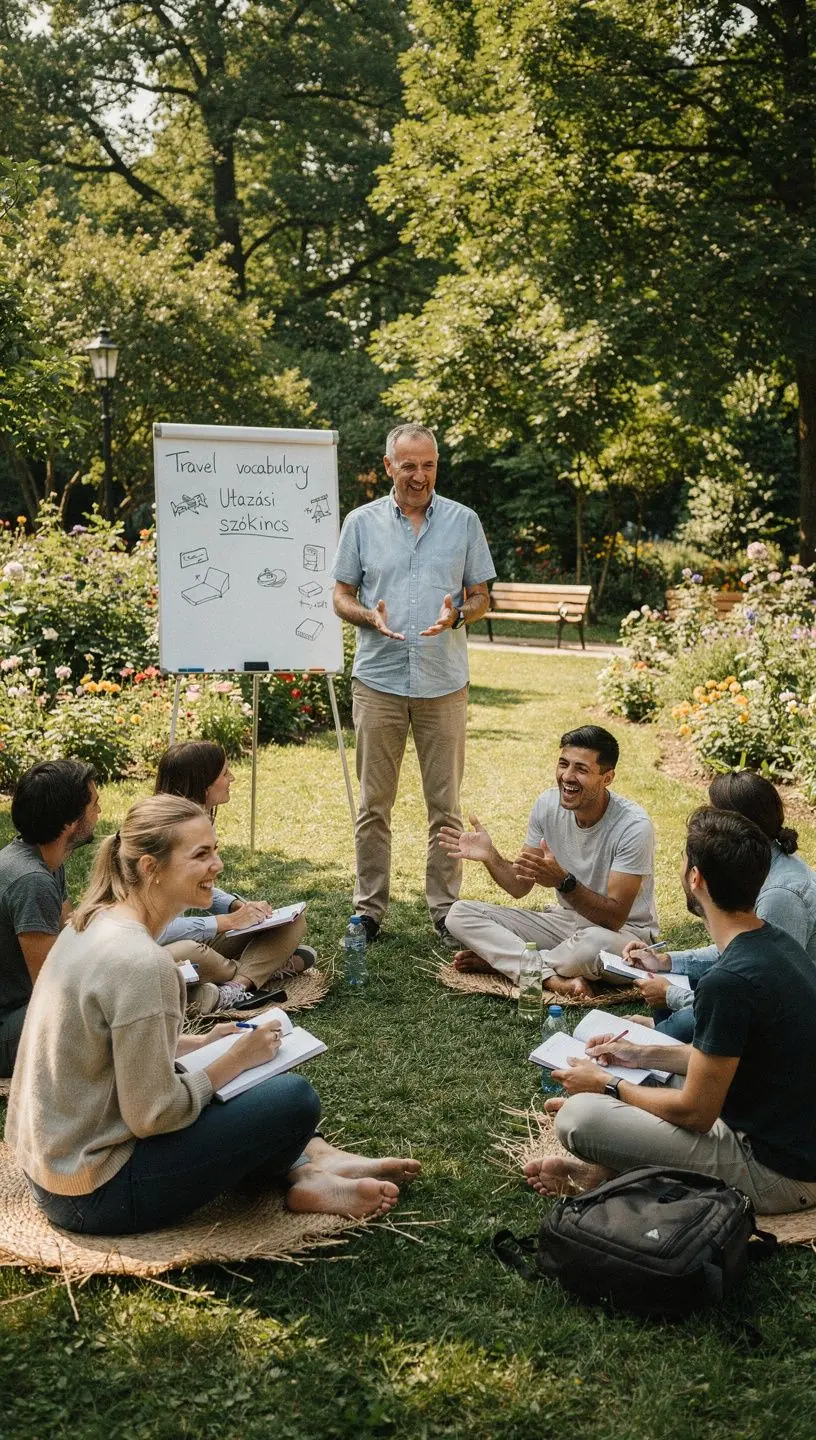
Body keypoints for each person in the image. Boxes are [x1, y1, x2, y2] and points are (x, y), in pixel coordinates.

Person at [6, 795, 420, 1235]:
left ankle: (308, 1169)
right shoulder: (142, 963)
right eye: (201, 854)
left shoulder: (90, 923)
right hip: (93, 1194)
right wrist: (234, 1060)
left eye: (215, 849)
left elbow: (107, 1050)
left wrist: (202, 1044)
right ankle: (306, 1166)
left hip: (51, 1166)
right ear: (151, 867)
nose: (217, 865)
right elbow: (154, 1115)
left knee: (246, 1083)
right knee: (293, 1099)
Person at [525, 807, 816, 1215]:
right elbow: (724, 1058)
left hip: (778, 1172)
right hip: (779, 1132)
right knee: (650, 1077)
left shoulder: (728, 981)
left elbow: (696, 1113)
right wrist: (638, 1054)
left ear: (695, 878)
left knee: (578, 1119)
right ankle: (613, 1161)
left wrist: (607, 1085)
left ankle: (612, 1172)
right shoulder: (779, 944)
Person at [331, 422, 495, 944]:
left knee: (444, 807)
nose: (420, 476)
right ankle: (368, 912)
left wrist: (459, 614)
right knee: (373, 805)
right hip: (378, 680)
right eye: (409, 466)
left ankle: (446, 913)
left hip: (443, 683)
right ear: (389, 467)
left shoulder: (464, 521)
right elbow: (340, 595)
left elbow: (481, 596)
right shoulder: (361, 523)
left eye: (428, 465)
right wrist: (368, 616)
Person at [440, 726, 658, 997]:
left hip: (625, 937)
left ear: (607, 778)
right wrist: (490, 856)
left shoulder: (633, 826)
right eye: (563, 764)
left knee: (591, 947)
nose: (567, 776)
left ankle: (508, 963)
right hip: (566, 924)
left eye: (581, 769)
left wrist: (563, 882)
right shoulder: (547, 805)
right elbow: (519, 886)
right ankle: (552, 979)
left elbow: (613, 919)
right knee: (459, 913)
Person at [624, 770, 816, 1041]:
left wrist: (672, 994)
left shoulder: (780, 895)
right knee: (681, 983)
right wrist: (665, 961)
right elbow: (739, 952)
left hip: (786, 1022)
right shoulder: (762, 865)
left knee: (689, 1003)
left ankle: (664, 1036)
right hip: (758, 992)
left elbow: (765, 989)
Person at [154, 741, 315, 1011]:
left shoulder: (196, 824)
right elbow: (156, 933)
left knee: (291, 923)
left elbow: (196, 887)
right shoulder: (157, 838)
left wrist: (236, 906)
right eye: (225, 773)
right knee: (190, 952)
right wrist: (226, 922)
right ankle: (260, 972)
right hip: (158, 952)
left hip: (197, 943)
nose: (232, 779)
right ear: (204, 784)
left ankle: (231, 988)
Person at [0, 759, 99, 1077]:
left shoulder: (47, 860)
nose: (99, 812)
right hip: (9, 1026)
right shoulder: (32, 881)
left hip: (22, 1008)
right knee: (95, 1011)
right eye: (94, 805)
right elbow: (51, 986)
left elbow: (71, 932)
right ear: (70, 823)